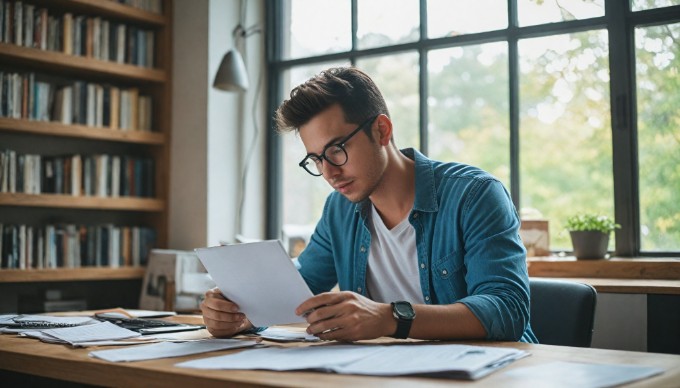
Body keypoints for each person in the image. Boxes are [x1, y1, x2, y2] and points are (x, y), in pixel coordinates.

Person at [201, 67, 537, 343]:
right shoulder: (339, 210)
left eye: (337, 149)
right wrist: (243, 313)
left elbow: (506, 309)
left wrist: (391, 317)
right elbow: (297, 290)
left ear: (382, 130)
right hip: (387, 373)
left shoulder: (474, 195)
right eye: (316, 159)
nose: (330, 172)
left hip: (491, 374)